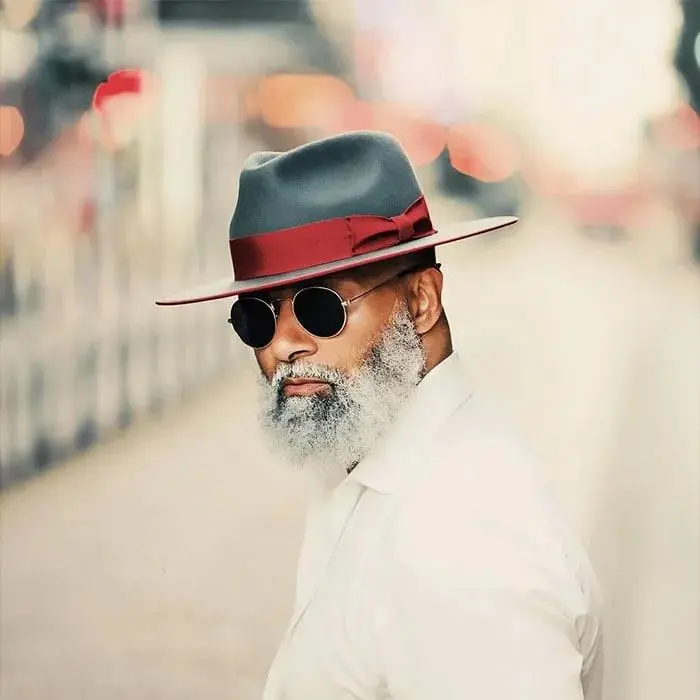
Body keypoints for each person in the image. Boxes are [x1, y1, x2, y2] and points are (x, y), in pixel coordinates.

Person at [156, 131, 604, 699]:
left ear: (421, 302)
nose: (282, 346)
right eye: (257, 317)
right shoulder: (372, 472)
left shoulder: (466, 542)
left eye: (321, 308)